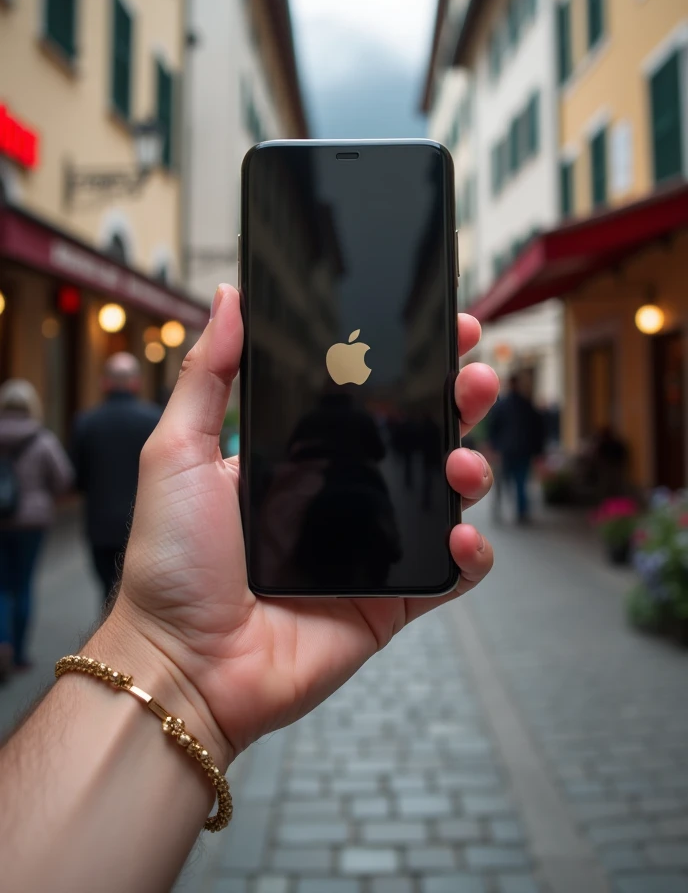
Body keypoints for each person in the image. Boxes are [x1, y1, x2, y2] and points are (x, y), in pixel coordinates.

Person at [0, 286, 499, 892]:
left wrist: (161, 652)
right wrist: (169, 652)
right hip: (365, 515)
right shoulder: (364, 424)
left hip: (283, 518)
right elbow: (378, 454)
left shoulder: (309, 419)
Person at [71, 353, 162, 604]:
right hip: (142, 524)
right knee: (135, 597)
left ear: (105, 383)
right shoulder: (154, 420)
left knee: (107, 593)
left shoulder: (86, 422)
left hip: (99, 525)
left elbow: (77, 479)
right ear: (136, 383)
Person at [0, 380, 73, 678]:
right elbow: (64, 478)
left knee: (2, 586)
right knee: (23, 584)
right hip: (33, 522)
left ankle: (2, 643)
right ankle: (17, 656)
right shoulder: (42, 439)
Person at [488, 373, 544, 523]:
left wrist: (493, 447)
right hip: (523, 450)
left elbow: (493, 428)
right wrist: (538, 450)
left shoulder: (501, 405)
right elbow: (537, 429)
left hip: (506, 450)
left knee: (501, 482)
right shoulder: (527, 404)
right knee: (521, 482)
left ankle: (498, 510)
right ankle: (521, 513)